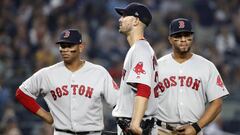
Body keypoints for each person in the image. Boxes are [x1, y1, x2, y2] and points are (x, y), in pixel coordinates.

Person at [15, 29, 119, 135]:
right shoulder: (48, 73)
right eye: (62, 46)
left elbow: (118, 102)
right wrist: (46, 116)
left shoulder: (99, 72)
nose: (65, 49)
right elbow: (21, 93)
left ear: (81, 47)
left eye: (70, 46)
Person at [156, 18, 230, 135]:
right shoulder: (157, 66)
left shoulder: (207, 66)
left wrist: (196, 127)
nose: (183, 39)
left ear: (192, 37)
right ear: (170, 39)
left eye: (187, 35)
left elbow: (217, 103)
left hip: (193, 130)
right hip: (161, 130)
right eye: (178, 36)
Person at [112, 3, 159, 135]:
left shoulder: (140, 49)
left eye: (125, 16)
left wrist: (135, 124)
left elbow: (143, 88)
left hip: (136, 125)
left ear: (136, 20)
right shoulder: (142, 48)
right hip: (141, 123)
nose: (120, 19)